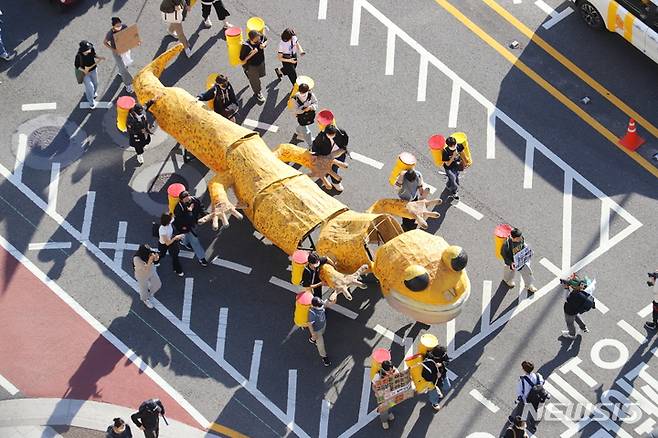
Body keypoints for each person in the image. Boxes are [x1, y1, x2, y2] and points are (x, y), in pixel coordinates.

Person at [509, 360, 547, 433]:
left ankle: (516, 422)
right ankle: (533, 426)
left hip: (527, 400)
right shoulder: (538, 376)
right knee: (535, 412)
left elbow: (519, 393)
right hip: (537, 398)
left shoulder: (522, 380)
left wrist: (518, 400)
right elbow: (542, 383)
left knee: (519, 411)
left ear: (524, 369)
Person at [173, 191, 209, 266]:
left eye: (188, 197)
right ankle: (202, 258)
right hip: (186, 226)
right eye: (185, 199)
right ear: (181, 200)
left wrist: (205, 216)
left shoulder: (195, 200)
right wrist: (190, 211)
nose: (188, 199)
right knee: (195, 242)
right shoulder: (179, 208)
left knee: (186, 237)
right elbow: (179, 220)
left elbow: (201, 208)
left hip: (192, 224)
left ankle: (184, 242)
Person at [311, 125, 349, 192]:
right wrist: (315, 155)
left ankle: (334, 181)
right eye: (329, 134)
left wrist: (343, 149)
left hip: (339, 154)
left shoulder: (341, 132)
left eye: (333, 134)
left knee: (335, 167)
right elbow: (315, 145)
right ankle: (336, 182)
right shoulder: (321, 136)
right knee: (332, 169)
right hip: (326, 156)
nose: (331, 136)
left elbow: (345, 140)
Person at [500, 228, 538, 295]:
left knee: (527, 272)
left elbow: (523, 245)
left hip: (520, 260)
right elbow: (504, 255)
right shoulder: (506, 245)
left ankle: (529, 285)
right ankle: (507, 280)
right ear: (513, 238)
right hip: (511, 261)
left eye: (520, 237)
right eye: (518, 238)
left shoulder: (521, 238)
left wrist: (528, 251)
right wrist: (510, 263)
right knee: (509, 271)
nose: (520, 238)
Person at [103, 17, 134, 93]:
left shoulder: (124, 26)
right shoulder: (110, 34)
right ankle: (128, 84)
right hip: (117, 52)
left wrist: (135, 41)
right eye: (117, 26)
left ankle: (121, 71)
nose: (119, 27)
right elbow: (105, 42)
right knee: (123, 69)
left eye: (120, 25)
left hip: (125, 49)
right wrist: (114, 50)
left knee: (125, 64)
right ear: (113, 26)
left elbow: (129, 35)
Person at [126, 98, 158, 165]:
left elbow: (146, 105)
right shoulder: (130, 118)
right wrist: (139, 130)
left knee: (145, 141)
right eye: (139, 112)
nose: (141, 113)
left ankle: (142, 146)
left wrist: (153, 100)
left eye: (141, 111)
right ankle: (139, 155)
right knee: (138, 146)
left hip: (144, 132)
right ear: (135, 111)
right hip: (136, 135)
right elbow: (130, 130)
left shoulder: (142, 110)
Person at [75, 41, 106, 109]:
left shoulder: (91, 50)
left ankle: (92, 93)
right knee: (90, 87)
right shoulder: (78, 56)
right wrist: (84, 71)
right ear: (83, 50)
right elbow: (77, 66)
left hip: (93, 70)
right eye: (88, 49)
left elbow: (94, 55)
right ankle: (91, 102)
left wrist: (99, 57)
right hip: (85, 73)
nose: (90, 50)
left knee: (95, 84)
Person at [239, 30, 268, 103]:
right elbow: (242, 60)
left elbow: (265, 39)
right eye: (256, 41)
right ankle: (257, 93)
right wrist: (252, 53)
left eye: (259, 39)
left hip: (261, 62)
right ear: (251, 40)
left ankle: (248, 73)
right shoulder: (246, 47)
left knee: (261, 75)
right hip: (252, 66)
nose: (259, 41)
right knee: (255, 82)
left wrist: (264, 45)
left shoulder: (260, 37)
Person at [561, 274, 593, 339]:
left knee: (569, 323)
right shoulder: (582, 292)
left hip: (569, 311)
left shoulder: (573, 296)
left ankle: (572, 334)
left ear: (573, 287)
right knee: (576, 316)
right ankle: (583, 328)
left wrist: (566, 288)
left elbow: (565, 298)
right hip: (575, 310)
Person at [307, 295, 336, 367]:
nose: (321, 305)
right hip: (317, 331)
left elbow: (329, 304)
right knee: (320, 344)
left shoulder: (321, 304)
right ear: (314, 306)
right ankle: (324, 357)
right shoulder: (312, 313)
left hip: (323, 325)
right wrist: (313, 333)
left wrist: (334, 298)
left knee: (322, 332)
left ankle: (312, 339)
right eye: (319, 305)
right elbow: (309, 324)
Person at [420, 345, 451, 411]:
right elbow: (426, 377)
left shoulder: (443, 354)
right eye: (444, 354)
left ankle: (438, 390)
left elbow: (447, 361)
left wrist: (442, 364)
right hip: (432, 381)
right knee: (433, 393)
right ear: (439, 356)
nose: (445, 355)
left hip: (442, 375)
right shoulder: (428, 362)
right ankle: (434, 403)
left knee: (447, 386)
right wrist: (436, 376)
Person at [371, 360, 398, 429]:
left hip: (391, 393)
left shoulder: (394, 371)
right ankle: (384, 421)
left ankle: (388, 414)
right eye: (389, 371)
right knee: (383, 409)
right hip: (381, 395)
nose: (391, 372)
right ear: (383, 370)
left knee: (390, 404)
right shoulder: (377, 376)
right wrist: (378, 394)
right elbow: (373, 386)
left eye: (392, 370)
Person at [133, 244, 161, 309]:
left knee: (157, 284)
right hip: (141, 274)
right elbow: (146, 269)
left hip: (151, 270)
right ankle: (145, 299)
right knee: (143, 289)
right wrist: (150, 260)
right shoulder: (137, 259)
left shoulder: (149, 251)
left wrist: (156, 258)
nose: (149, 254)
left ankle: (150, 293)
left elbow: (156, 259)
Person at [291, 83, 318, 147]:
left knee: (301, 126)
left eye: (305, 92)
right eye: (301, 92)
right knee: (306, 131)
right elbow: (295, 110)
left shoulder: (310, 95)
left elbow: (315, 103)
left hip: (308, 115)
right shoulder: (295, 98)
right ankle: (311, 144)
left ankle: (298, 133)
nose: (303, 94)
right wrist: (303, 110)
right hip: (301, 117)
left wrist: (310, 107)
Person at [158, 212, 185, 276]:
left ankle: (178, 270)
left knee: (175, 257)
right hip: (164, 244)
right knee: (162, 254)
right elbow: (167, 243)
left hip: (171, 241)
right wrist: (176, 237)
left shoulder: (168, 224)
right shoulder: (162, 230)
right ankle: (155, 260)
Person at [442, 136, 464, 201]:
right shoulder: (445, 151)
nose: (454, 146)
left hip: (457, 166)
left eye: (455, 144)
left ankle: (448, 185)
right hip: (449, 169)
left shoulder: (458, 146)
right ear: (449, 146)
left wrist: (465, 162)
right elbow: (447, 164)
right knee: (455, 180)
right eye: (453, 146)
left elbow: (462, 153)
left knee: (454, 178)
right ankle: (454, 192)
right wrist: (453, 156)